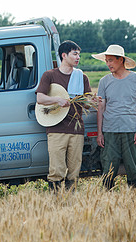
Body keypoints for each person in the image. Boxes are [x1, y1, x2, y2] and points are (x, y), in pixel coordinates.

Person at [36, 40, 92, 190]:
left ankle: (70, 204)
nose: (78, 57)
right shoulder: (50, 75)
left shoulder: (82, 77)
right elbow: (40, 98)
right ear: (64, 55)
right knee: (56, 170)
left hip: (76, 129)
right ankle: (56, 202)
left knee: (74, 171)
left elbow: (87, 103)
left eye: (78, 54)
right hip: (56, 129)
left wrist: (92, 101)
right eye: (75, 54)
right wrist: (57, 100)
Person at [92, 45, 136, 189]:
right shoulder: (104, 81)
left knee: (132, 166)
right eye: (106, 61)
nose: (108, 64)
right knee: (108, 167)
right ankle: (108, 199)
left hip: (130, 129)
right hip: (110, 131)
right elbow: (101, 107)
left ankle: (134, 198)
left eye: (111, 60)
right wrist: (100, 133)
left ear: (121, 60)